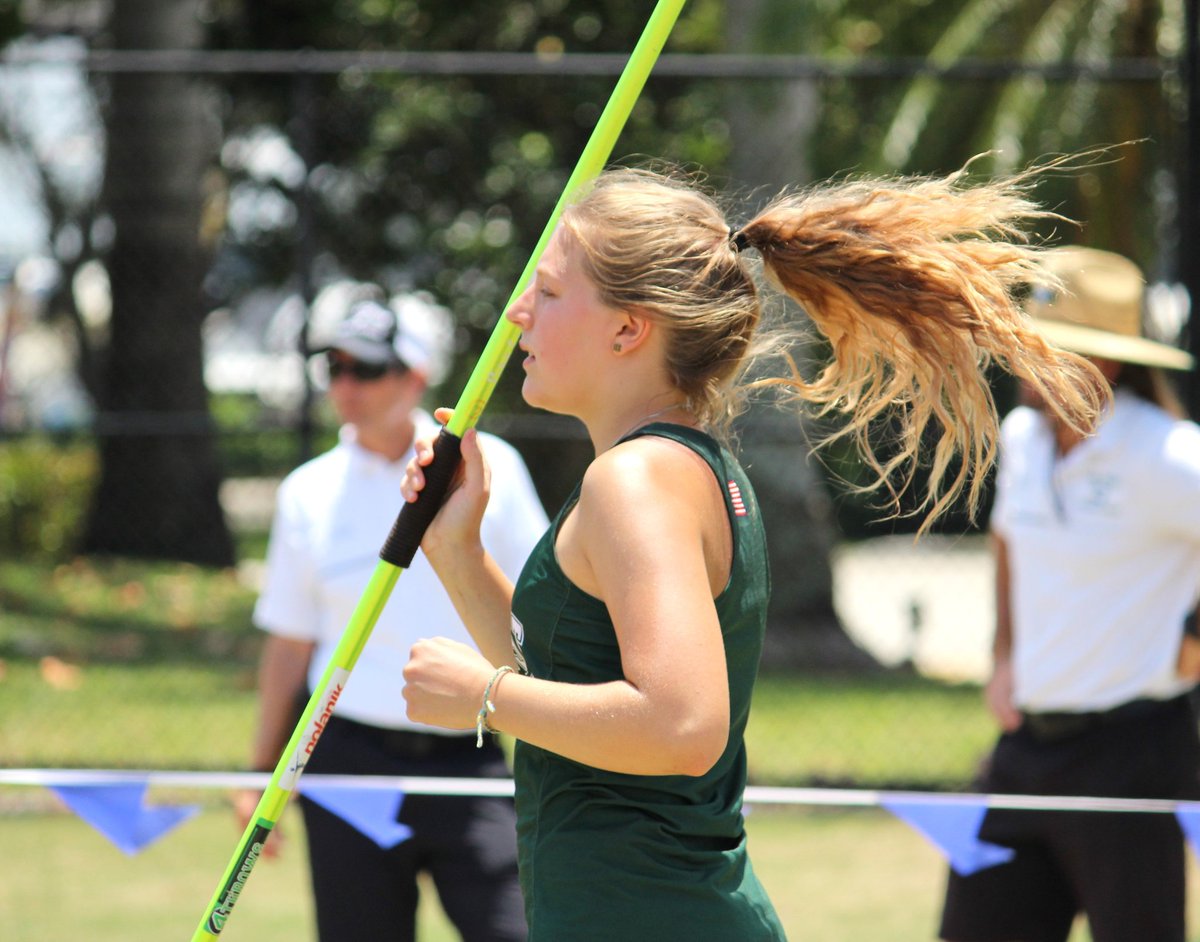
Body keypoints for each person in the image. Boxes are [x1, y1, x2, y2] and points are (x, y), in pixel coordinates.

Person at [395, 165, 1110, 941]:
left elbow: (681, 725)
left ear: (627, 329)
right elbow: (571, 681)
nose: (517, 312)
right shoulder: (667, 467)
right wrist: (457, 548)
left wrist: (487, 697)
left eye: (550, 291)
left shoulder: (636, 480)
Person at [239, 292, 548, 942]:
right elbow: (290, 646)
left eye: (367, 368)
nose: (346, 385)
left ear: (415, 376)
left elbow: (543, 606)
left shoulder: (489, 468)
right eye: (335, 367)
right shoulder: (306, 491)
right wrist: (260, 774)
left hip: (470, 751)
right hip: (349, 761)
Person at [939, 246, 1200, 942]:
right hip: (1024, 749)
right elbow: (1007, 543)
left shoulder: (1169, 453)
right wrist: (1003, 655)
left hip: (1134, 752)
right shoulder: (1022, 437)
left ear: (1105, 362)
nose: (1023, 361)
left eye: (1045, 346)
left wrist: (1194, 642)